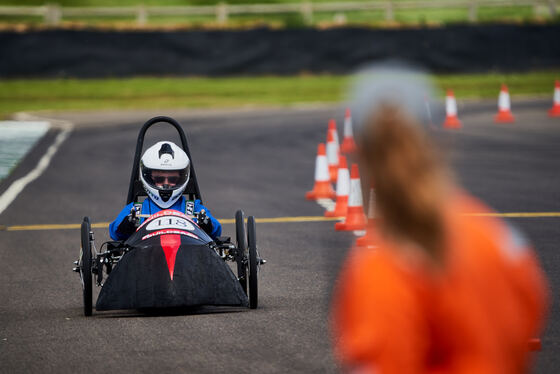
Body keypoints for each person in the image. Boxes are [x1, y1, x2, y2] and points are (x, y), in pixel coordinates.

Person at [330, 63, 548, 374]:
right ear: (436, 140)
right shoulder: (497, 237)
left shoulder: (385, 268)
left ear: (360, 154)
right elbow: (529, 315)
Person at [109, 141, 221, 241]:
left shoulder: (193, 208)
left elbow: (216, 230)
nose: (166, 184)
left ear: (182, 178)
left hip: (187, 260)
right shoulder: (137, 210)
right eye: (159, 179)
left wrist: (206, 225)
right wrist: (126, 226)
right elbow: (114, 233)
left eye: (172, 179)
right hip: (145, 259)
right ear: (147, 177)